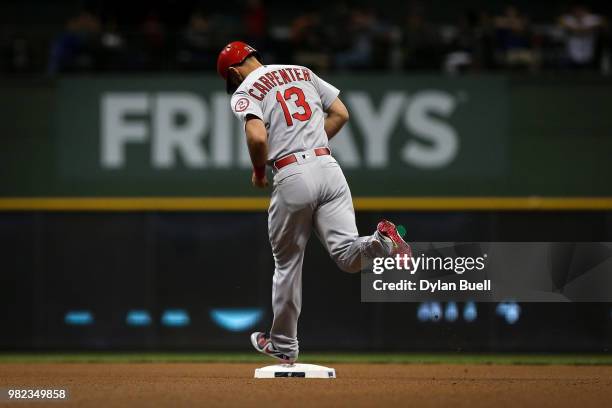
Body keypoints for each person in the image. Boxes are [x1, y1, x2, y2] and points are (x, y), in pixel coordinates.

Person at [216, 41, 411, 364]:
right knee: (349, 256)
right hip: (329, 168)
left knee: (288, 265)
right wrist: (311, 143)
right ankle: (382, 242)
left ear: (235, 71)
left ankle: (283, 344)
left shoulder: (245, 88)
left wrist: (258, 171)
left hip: (293, 174)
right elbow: (341, 114)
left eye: (230, 78)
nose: (233, 83)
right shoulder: (302, 71)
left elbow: (257, 137)